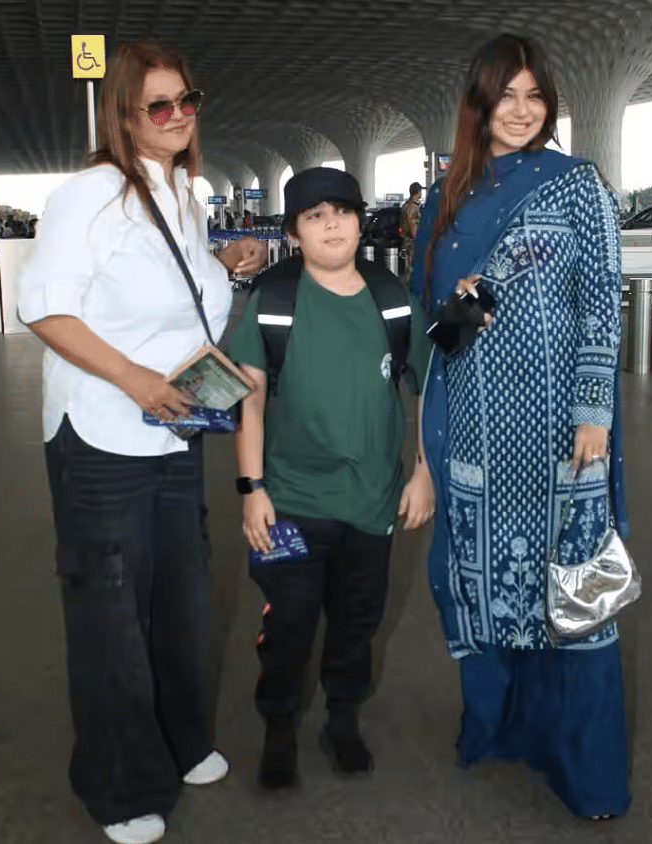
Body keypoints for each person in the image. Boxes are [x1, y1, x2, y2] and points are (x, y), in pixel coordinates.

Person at [16, 39, 265, 844]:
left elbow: (180, 297)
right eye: (158, 105)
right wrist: (131, 378)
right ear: (122, 115)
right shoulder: (89, 193)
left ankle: (181, 739)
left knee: (183, 601)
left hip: (172, 429)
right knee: (111, 612)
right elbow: (45, 309)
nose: (177, 116)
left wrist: (228, 260)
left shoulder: (184, 195)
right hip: (104, 432)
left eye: (187, 100)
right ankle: (119, 784)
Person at [409, 33, 632, 821]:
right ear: (479, 103)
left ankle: (587, 771)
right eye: (505, 96)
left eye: (535, 96)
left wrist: (594, 413)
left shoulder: (578, 183)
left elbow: (604, 297)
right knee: (481, 585)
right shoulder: (449, 196)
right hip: (471, 429)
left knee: (573, 597)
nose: (521, 111)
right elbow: (430, 330)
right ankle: (500, 728)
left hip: (559, 432)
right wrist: (460, 298)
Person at [225, 167, 434, 791]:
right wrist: (251, 489)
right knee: (288, 622)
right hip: (289, 501)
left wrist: (423, 472)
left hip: (371, 502)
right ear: (294, 231)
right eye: (314, 216)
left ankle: (342, 717)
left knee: (357, 621)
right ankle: (280, 726)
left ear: (358, 220)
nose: (331, 224)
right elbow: (251, 401)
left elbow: (428, 389)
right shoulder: (275, 300)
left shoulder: (391, 298)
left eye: (340, 211)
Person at [399, 182, 423, 279]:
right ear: (418, 192)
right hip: (412, 243)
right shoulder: (412, 208)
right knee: (412, 270)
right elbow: (413, 228)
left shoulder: (406, 205)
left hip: (406, 241)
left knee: (409, 268)